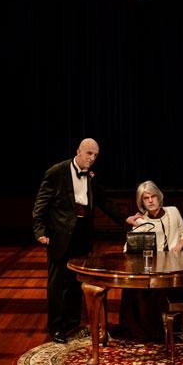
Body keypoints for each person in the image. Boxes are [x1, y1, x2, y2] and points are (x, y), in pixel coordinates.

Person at [33, 138, 138, 343]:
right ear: (78, 151)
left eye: (95, 155)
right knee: (57, 283)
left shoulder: (91, 175)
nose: (92, 158)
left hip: (83, 233)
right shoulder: (57, 172)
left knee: (76, 280)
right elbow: (40, 204)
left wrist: (125, 219)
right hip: (60, 235)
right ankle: (56, 328)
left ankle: (72, 324)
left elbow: (103, 200)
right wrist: (40, 231)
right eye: (89, 153)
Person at [117, 180, 183, 342]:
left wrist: (178, 247)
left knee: (155, 289)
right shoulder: (142, 220)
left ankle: (164, 331)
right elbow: (126, 248)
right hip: (154, 268)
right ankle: (143, 333)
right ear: (141, 202)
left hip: (174, 267)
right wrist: (136, 227)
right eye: (145, 198)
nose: (150, 200)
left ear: (159, 196)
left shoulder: (173, 212)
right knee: (132, 288)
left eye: (153, 196)